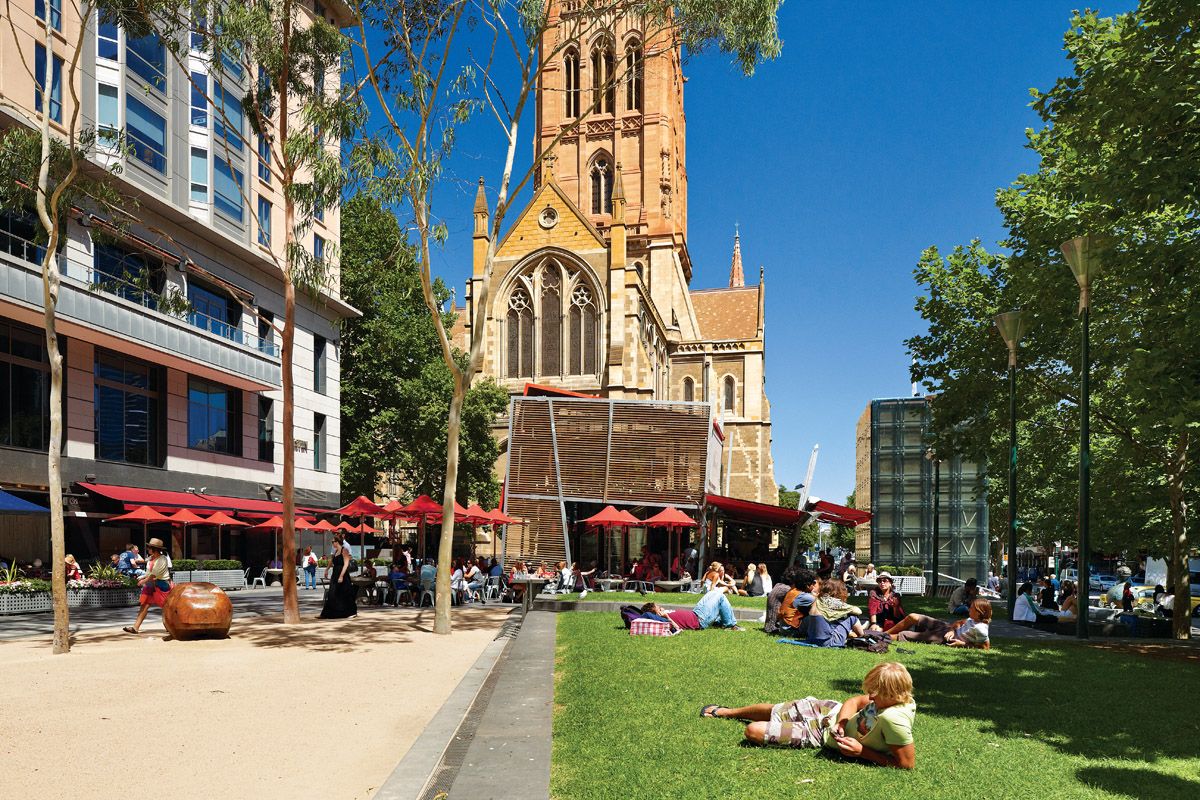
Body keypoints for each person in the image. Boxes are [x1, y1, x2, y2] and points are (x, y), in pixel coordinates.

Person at [701, 662, 917, 770]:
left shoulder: (894, 719)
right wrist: (842, 722)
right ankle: (726, 711)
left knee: (753, 731)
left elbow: (907, 764)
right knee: (776, 709)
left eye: (876, 692)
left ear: (892, 693)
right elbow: (853, 701)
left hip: (817, 734)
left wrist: (862, 752)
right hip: (828, 710)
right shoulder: (900, 697)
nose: (870, 695)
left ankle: (731, 714)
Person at [885, 598, 991, 649]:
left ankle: (878, 636)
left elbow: (985, 648)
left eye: (972, 608)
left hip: (943, 638)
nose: (969, 609)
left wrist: (962, 644)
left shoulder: (981, 629)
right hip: (946, 628)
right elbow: (959, 622)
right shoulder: (972, 619)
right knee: (913, 616)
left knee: (905, 634)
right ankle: (884, 633)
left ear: (979, 613)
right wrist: (952, 629)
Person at [123, 538, 172, 634]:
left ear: (155, 549)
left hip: (162, 583)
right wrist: (142, 577)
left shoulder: (162, 559)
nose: (148, 549)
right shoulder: (150, 559)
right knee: (144, 604)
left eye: (149, 547)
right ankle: (135, 627)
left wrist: (143, 581)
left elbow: (154, 574)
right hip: (151, 584)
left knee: (166, 607)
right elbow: (149, 573)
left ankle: (169, 626)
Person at [318, 538, 358, 619]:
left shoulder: (344, 550)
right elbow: (331, 561)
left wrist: (341, 576)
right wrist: (326, 569)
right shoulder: (336, 551)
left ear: (337, 542)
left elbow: (346, 564)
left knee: (345, 593)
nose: (332, 543)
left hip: (342, 575)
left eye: (333, 542)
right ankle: (328, 613)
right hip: (335, 574)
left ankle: (351, 612)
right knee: (333, 593)